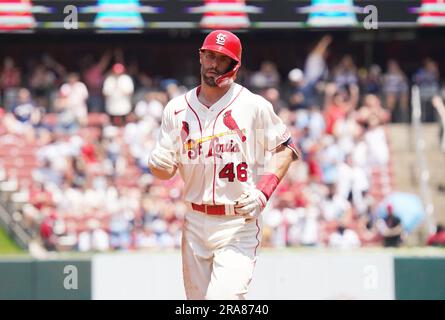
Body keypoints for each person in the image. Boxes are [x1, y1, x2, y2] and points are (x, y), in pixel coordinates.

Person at [148, 30, 299, 300]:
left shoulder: (253, 105)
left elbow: (285, 150)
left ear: (235, 66)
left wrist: (263, 191)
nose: (213, 64)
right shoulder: (176, 108)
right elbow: (166, 169)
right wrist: (157, 164)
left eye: (221, 58)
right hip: (194, 220)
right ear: (200, 57)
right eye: (209, 55)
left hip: (237, 222)